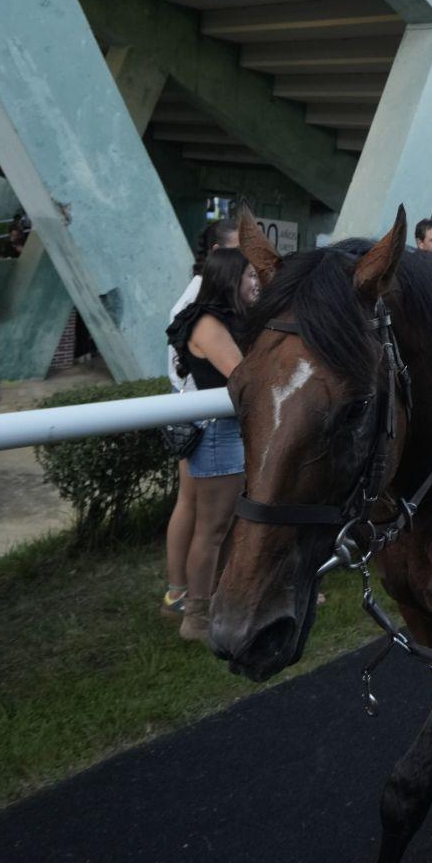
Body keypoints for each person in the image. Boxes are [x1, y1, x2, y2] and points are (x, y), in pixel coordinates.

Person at [167, 245, 260, 643]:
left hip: (225, 433)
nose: (258, 282)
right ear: (230, 280)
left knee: (222, 527)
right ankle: (197, 617)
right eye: (251, 276)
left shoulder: (222, 319)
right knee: (213, 529)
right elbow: (244, 376)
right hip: (220, 435)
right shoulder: (209, 324)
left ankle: (212, 603)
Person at [161, 218, 238, 618]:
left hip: (194, 410)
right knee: (200, 516)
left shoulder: (200, 300)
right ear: (217, 258)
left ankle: (181, 594)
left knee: (194, 509)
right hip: (202, 414)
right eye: (242, 252)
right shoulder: (200, 308)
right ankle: (185, 598)